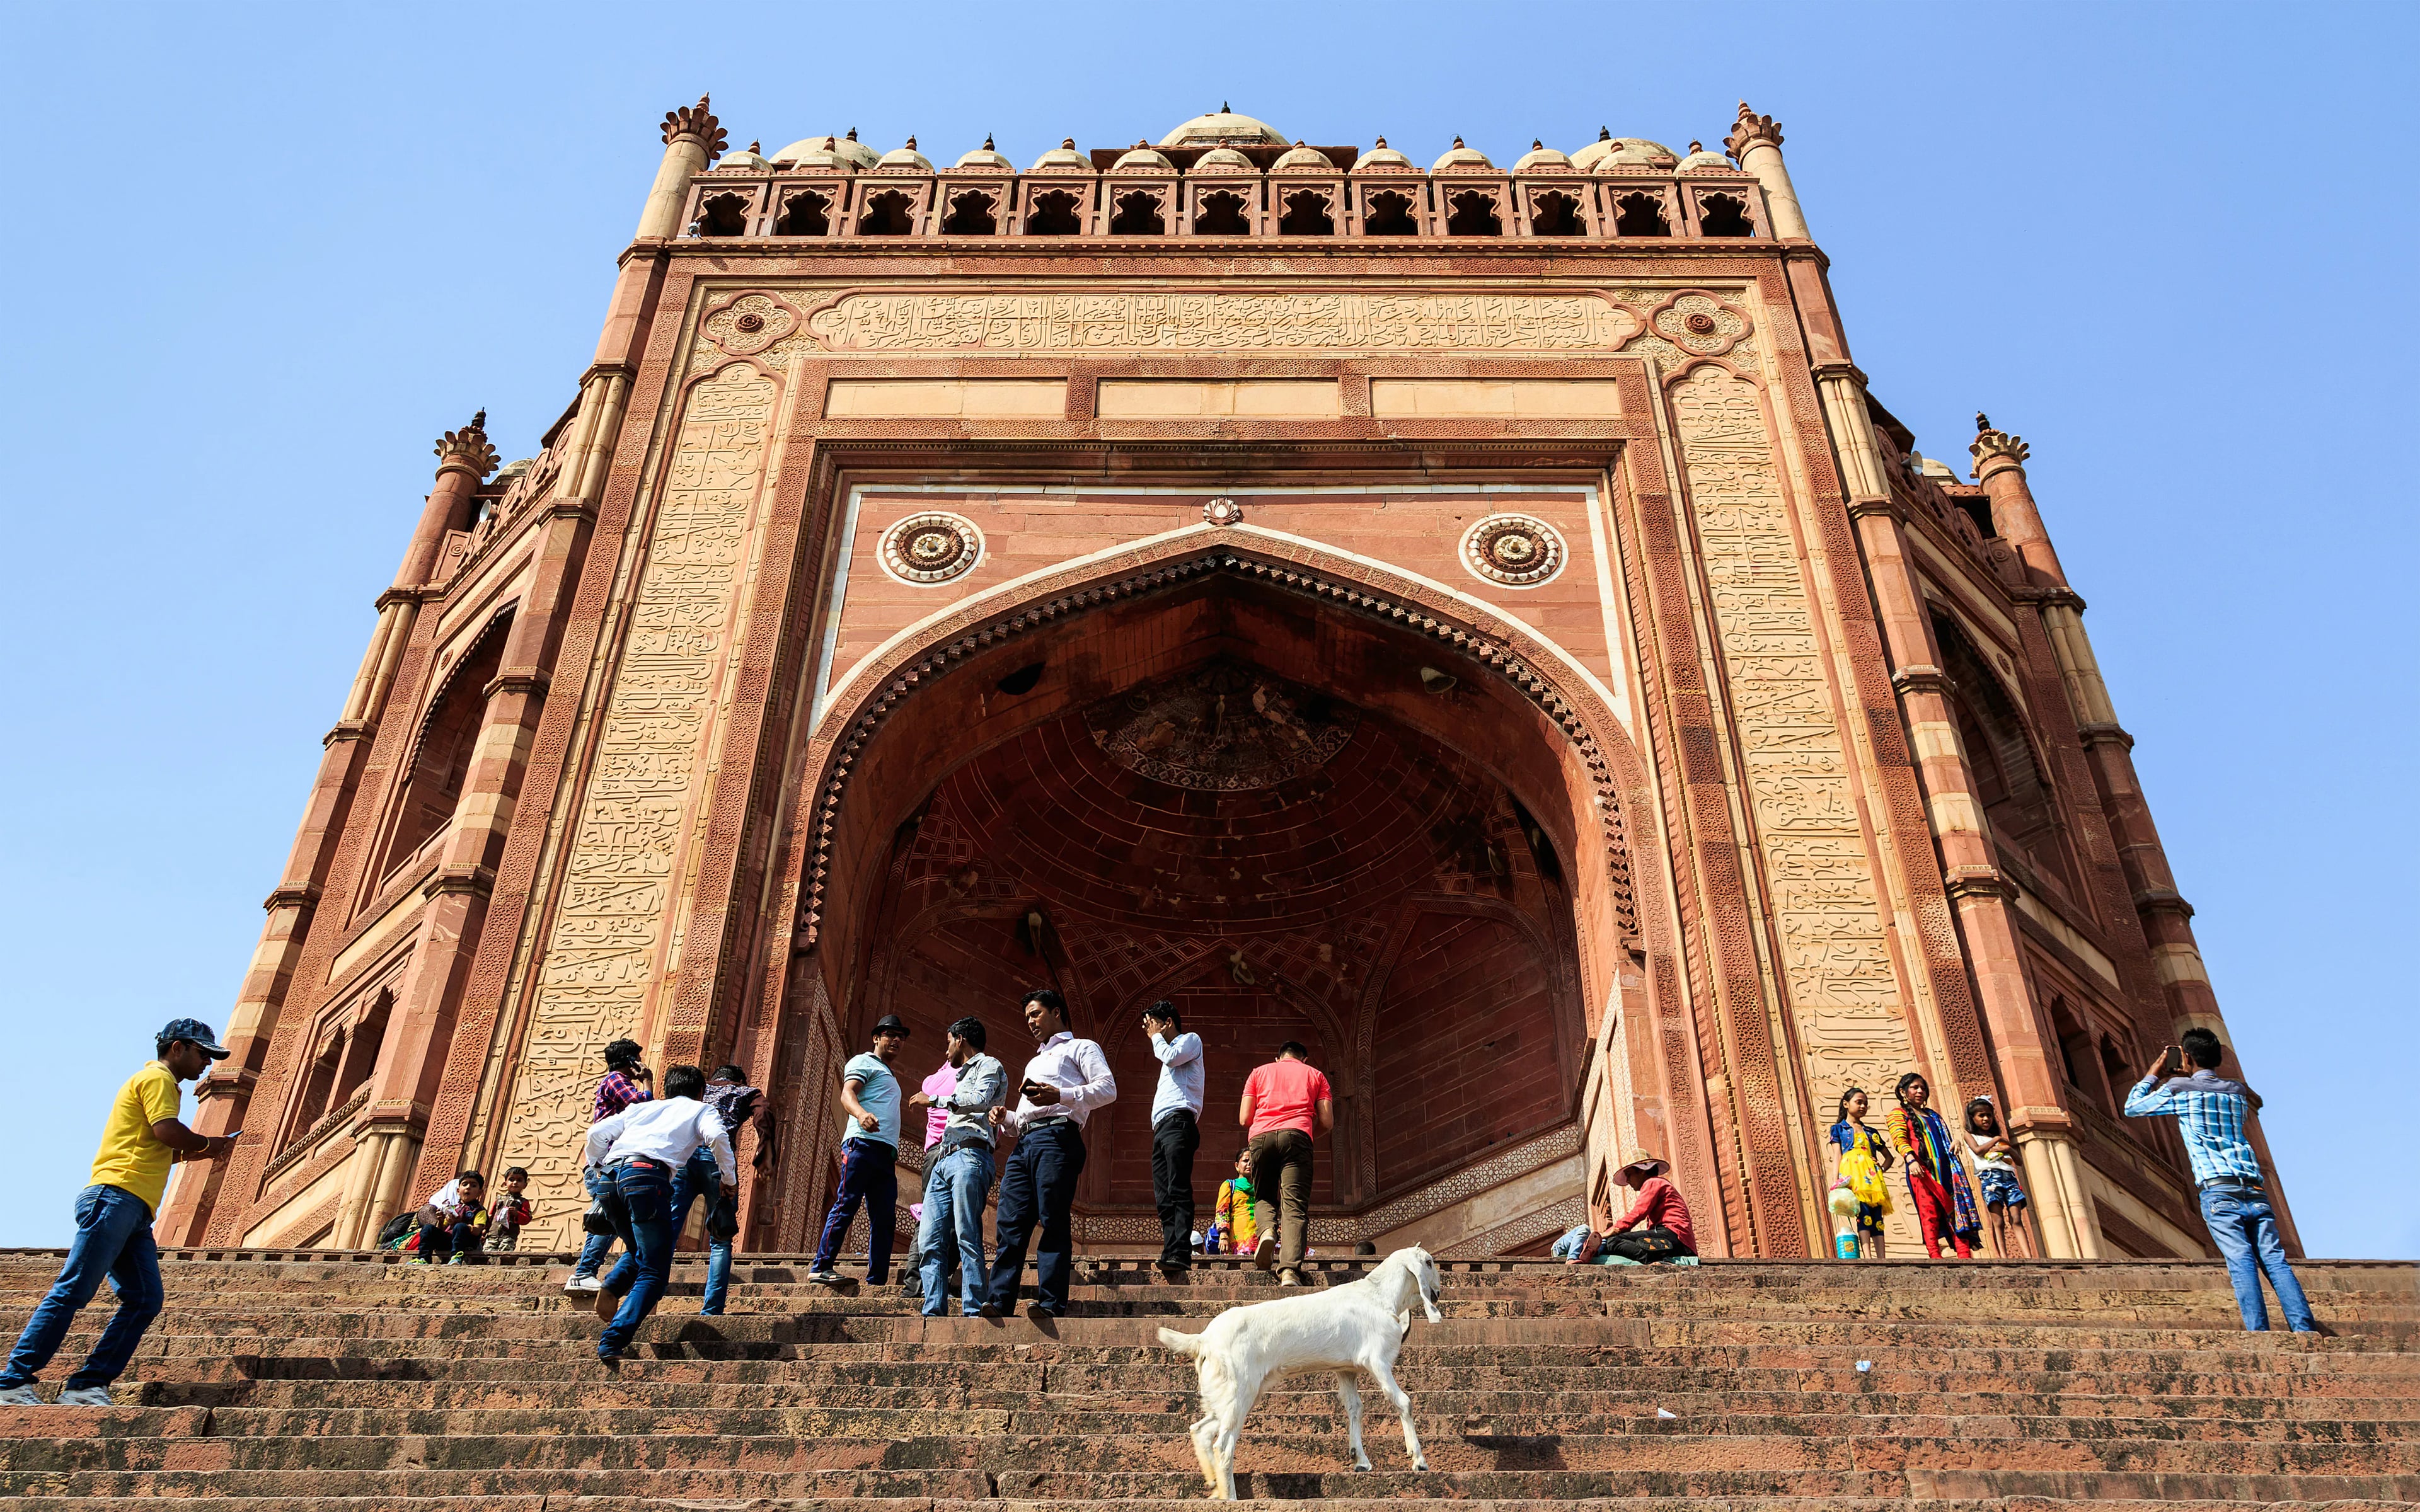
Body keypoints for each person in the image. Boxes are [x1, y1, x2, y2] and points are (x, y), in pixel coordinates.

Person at [0, 1019, 238, 1407]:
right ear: (177, 1048)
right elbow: (167, 1132)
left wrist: (198, 1148)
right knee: (74, 1290)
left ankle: (86, 1385)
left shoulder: (159, 1083)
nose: (207, 1063)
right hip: (115, 1196)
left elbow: (159, 1147)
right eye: (202, 1053)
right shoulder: (158, 1079)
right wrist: (208, 1144)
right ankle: (12, 1382)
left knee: (144, 1299)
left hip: (134, 1207)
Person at [2125, 1028, 2324, 1334]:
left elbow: (2133, 1107)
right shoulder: (2237, 1093)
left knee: (2241, 1260)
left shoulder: (2179, 1088)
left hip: (2218, 1190)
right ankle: (2304, 1329)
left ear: (2186, 1057)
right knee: (2274, 1259)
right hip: (2253, 1188)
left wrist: (2155, 1073)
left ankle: (2259, 1333)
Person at [582, 1063, 735, 1361]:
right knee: (654, 1271)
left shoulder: (642, 1109)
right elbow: (718, 1139)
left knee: (643, 1249)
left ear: (666, 1089)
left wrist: (597, 1166)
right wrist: (728, 1180)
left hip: (610, 1181)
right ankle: (613, 1340)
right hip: (647, 1179)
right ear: (702, 1091)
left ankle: (614, 1283)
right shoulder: (701, 1110)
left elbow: (597, 1133)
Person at [984, 989, 1115, 1318]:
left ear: (1056, 1012)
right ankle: (999, 1301)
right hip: (1025, 1142)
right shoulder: (1035, 1060)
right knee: (1010, 1223)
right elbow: (1021, 1119)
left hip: (1059, 1136)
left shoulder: (1082, 1048)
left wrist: (1062, 1094)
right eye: (1027, 1016)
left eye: (1035, 1014)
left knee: (1053, 1219)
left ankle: (1051, 1302)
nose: (1030, 1022)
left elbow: (1108, 1088)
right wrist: (1005, 1117)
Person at [906, 1017, 1006, 1317]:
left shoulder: (989, 1065)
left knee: (966, 1232)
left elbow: (979, 1099)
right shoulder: (961, 1075)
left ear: (960, 1039)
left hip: (970, 1155)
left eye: (949, 1041)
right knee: (930, 1238)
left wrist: (934, 1099)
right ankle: (933, 1307)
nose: (946, 1049)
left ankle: (974, 1307)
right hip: (945, 1157)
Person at [807, 1016, 911, 1286]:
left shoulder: (888, 1073)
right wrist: (862, 1114)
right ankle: (821, 1266)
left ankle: (877, 1279)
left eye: (901, 1036)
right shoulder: (863, 1062)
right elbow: (847, 1094)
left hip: (885, 1154)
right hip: (861, 1144)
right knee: (846, 1204)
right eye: (890, 1034)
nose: (897, 1040)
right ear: (876, 1038)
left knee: (885, 1218)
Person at [667, 1066, 761, 1316]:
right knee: (720, 1240)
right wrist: (765, 1152)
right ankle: (712, 1309)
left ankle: (648, 1298)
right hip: (717, 1160)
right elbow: (764, 1114)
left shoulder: (696, 1091)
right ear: (739, 1080)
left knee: (666, 1233)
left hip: (684, 1158)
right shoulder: (744, 1091)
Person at [1238, 1040, 1332, 1286]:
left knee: (1264, 1197)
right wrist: (1305, 1132)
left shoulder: (1259, 1073)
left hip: (1261, 1137)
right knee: (1294, 1206)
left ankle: (1267, 1231)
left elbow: (1244, 1117)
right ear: (1304, 1060)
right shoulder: (1316, 1075)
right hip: (1298, 1136)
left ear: (1278, 1058)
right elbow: (1327, 1120)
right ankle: (1289, 1271)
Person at [565, 1039, 653, 1297]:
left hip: (608, 1164)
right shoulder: (617, 1080)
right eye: (638, 1058)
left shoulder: (615, 1081)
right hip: (607, 1165)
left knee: (609, 1221)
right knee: (609, 1221)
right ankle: (583, 1273)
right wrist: (646, 1080)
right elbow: (642, 1107)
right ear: (630, 1061)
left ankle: (587, 1273)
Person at [1886, 1072, 1981, 1259]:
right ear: (1903, 1092)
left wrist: (1954, 1142)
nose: (1920, 1091)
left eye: (1923, 1088)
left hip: (1948, 1172)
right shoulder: (1898, 1114)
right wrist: (1910, 1160)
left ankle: (1965, 1256)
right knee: (1930, 1214)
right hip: (1922, 1172)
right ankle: (1935, 1256)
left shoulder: (1933, 1115)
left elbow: (1942, 1138)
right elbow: (1899, 1139)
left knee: (1957, 1212)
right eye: (1915, 1087)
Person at [1143, 1000, 1205, 1280]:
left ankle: (1181, 1250)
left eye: (1153, 1023)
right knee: (1164, 1194)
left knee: (1178, 1188)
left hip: (1180, 1122)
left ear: (1167, 1022)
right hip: (1162, 1127)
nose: (1149, 1030)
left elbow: (1171, 1057)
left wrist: (1156, 1037)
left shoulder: (1190, 1041)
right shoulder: (1166, 1053)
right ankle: (1171, 1249)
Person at [1572, 1151, 1696, 1263]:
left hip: (1673, 1235)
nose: (1628, 1180)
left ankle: (1650, 1259)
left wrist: (1611, 1232)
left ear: (1642, 1170)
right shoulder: (1660, 1184)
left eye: (1629, 1175)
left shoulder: (1652, 1182)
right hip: (1680, 1243)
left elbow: (1638, 1213)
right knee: (1624, 1243)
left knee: (1613, 1241)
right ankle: (1657, 1255)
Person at [1962, 1096, 2034, 1259]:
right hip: (1990, 1178)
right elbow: (1979, 1151)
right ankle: (2003, 1257)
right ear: (1973, 1118)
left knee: (2016, 1218)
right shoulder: (1971, 1136)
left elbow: (2019, 1161)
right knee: (1998, 1221)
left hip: (2009, 1177)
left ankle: (2029, 1257)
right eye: (1981, 1116)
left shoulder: (2000, 1142)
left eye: (1989, 1115)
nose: (1986, 1119)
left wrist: (2007, 1149)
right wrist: (1997, 1140)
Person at [1828, 1087, 1894, 1259]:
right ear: (1846, 1104)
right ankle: (1867, 1256)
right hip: (1853, 1176)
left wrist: (1881, 1169)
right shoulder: (1839, 1129)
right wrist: (1835, 1181)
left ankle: (1882, 1257)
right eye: (1859, 1102)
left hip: (1872, 1178)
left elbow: (1889, 1158)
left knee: (1877, 1216)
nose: (1863, 1106)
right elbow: (1837, 1155)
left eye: (1865, 1103)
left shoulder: (1872, 1132)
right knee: (1863, 1214)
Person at [410, 1171, 487, 1264]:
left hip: (466, 1243)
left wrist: (463, 1225)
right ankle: (423, 1258)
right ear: (458, 1191)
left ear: (480, 1192)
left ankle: (456, 1257)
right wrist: (441, 1221)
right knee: (428, 1228)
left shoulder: (479, 1210)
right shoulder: (453, 1208)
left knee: (460, 1227)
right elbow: (441, 1229)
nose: (468, 1188)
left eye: (473, 1186)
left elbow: (477, 1231)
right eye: (465, 1184)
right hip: (448, 1241)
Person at [1206, 1150, 1258, 1257]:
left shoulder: (1261, 1188)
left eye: (1252, 1161)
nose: (1249, 1164)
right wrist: (1223, 1236)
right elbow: (1222, 1212)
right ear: (1237, 1166)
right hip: (1237, 1241)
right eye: (1245, 1160)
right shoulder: (1229, 1185)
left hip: (1259, 1239)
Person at [481, 1167, 533, 1252]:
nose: (515, 1183)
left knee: (504, 1255)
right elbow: (490, 1216)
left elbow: (527, 1219)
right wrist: (485, 1230)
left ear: (525, 1185)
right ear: (505, 1183)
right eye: (511, 1180)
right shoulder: (499, 1199)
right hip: (492, 1234)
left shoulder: (523, 1202)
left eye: (519, 1180)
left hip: (509, 1236)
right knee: (487, 1254)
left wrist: (517, 1214)